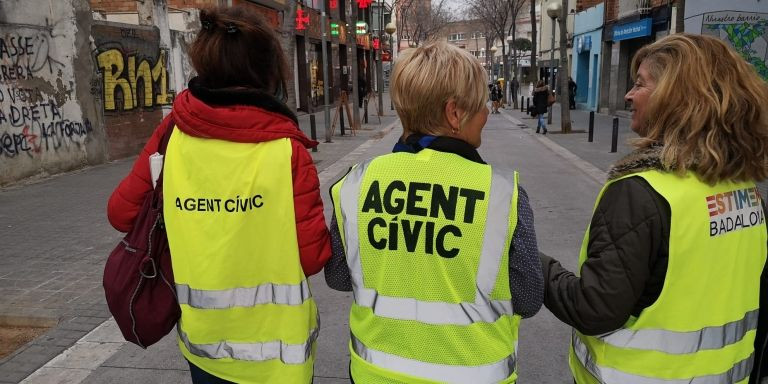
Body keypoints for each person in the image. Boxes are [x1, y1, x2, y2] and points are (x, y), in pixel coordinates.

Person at [106, 5, 331, 383]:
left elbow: (120, 214)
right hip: (280, 354)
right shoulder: (287, 152)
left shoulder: (171, 135)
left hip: (205, 347)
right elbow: (312, 258)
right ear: (268, 72)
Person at [539, 33, 768, 384]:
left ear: (677, 98)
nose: (629, 96)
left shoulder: (640, 193)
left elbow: (595, 309)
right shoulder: (746, 192)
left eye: (640, 84)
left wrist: (532, 263)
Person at [325, 41, 543, 383]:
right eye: (481, 103)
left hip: (375, 373)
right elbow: (528, 298)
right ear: (454, 113)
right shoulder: (502, 195)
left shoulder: (357, 183)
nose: (487, 111)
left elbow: (338, 277)